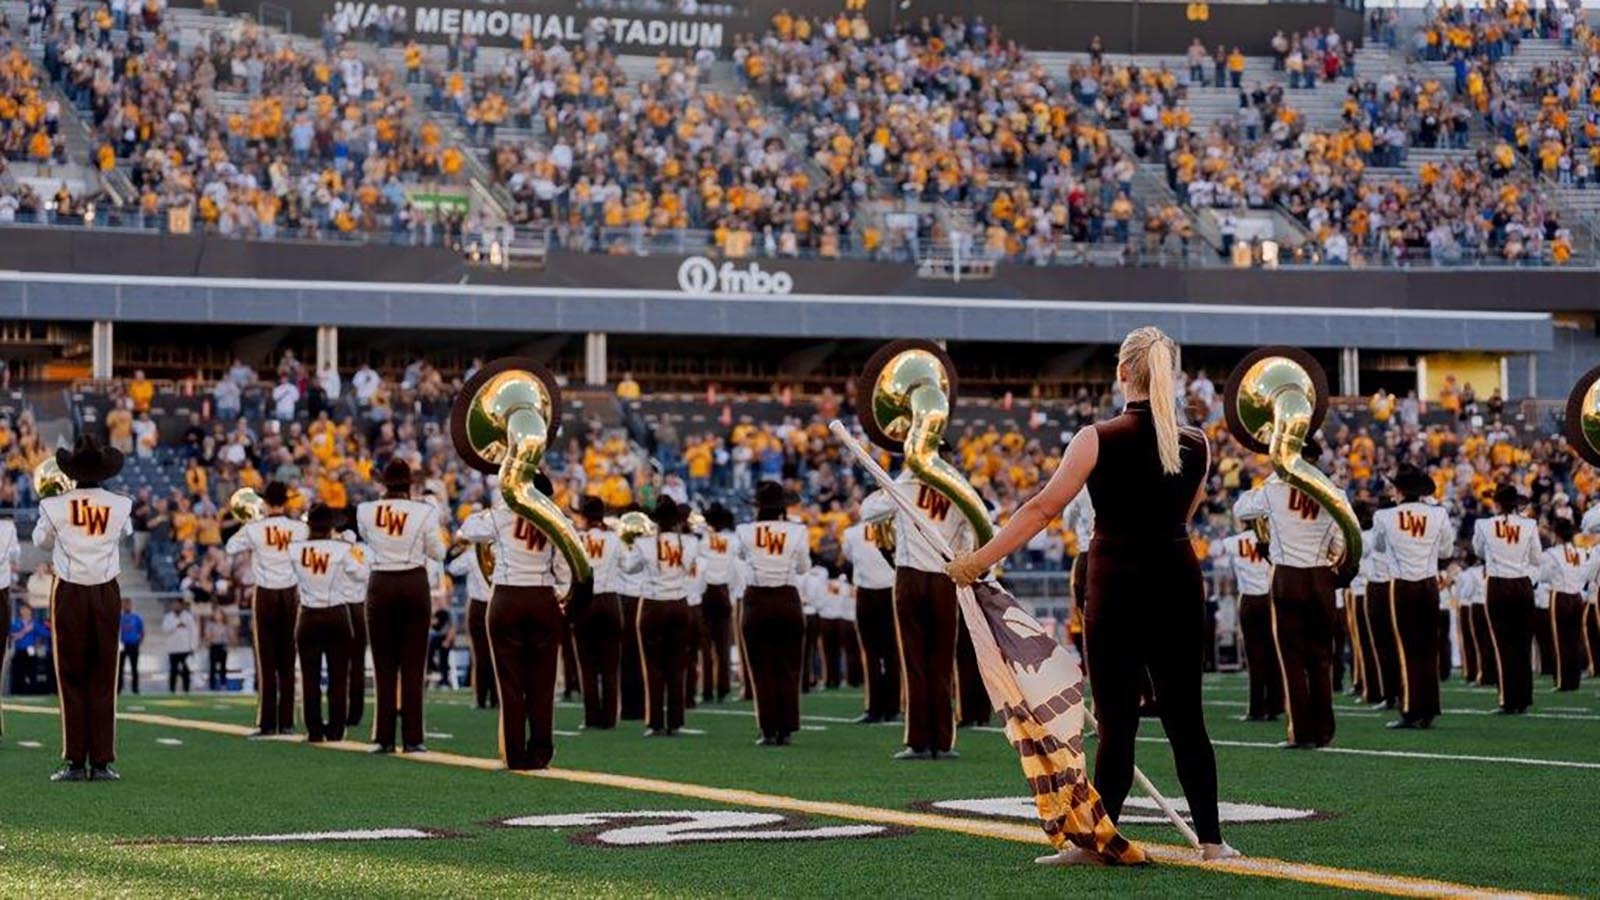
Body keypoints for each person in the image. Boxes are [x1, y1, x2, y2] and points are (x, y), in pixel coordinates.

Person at [945, 326, 1235, 863]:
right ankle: (1213, 842)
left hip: (1117, 579)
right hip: (1175, 577)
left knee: (1116, 718)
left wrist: (979, 561)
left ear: (1122, 372)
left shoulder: (1096, 436)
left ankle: (1099, 840)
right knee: (1186, 717)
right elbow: (1185, 515)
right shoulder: (1199, 444)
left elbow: (1041, 509)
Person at [859, 457, 987, 761]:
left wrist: (903, 475)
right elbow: (974, 533)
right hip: (945, 578)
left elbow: (868, 512)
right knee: (942, 662)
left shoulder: (905, 484)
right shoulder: (959, 489)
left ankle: (918, 741)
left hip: (910, 576)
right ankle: (942, 742)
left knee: (915, 662)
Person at [32, 435, 134, 782]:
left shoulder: (53, 505)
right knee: (104, 676)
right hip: (106, 589)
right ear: (104, 472)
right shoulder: (121, 504)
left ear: (71, 471)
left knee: (71, 675)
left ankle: (75, 762)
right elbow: (126, 532)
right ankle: (102, 761)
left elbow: (40, 542)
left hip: (70, 591)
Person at [1234, 446, 1346, 750]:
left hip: (1289, 578)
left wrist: (1275, 474)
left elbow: (1240, 509)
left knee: (1292, 659)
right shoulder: (1332, 490)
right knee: (1322, 658)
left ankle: (1302, 731)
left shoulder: (1276, 488)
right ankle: (1325, 730)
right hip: (1322, 576)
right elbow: (1343, 539)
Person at [459, 474, 573, 769]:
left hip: (507, 597)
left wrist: (498, 504)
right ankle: (540, 752)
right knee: (543, 682)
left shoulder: (504, 515)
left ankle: (514, 753)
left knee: (510, 682)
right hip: (543, 598)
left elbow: (467, 529)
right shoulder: (557, 518)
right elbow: (565, 571)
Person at [356, 458, 446, 753]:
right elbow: (438, 551)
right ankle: (413, 738)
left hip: (381, 581)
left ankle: (383, 737)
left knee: (384, 663)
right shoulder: (425, 511)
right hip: (413, 582)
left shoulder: (366, 511)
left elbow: (369, 539)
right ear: (409, 485)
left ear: (384, 483)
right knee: (413, 663)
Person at [1370, 464, 1452, 729]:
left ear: (1401, 490)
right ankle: (1428, 709)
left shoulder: (1384, 517)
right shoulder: (1439, 514)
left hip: (1402, 586)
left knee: (1406, 648)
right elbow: (1445, 551)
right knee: (1429, 647)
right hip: (1428, 584)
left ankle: (1409, 708)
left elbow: (1379, 547)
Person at [224, 481, 307, 737]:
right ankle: (287, 723)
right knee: (288, 658)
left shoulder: (255, 528)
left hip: (266, 594)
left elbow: (230, 547)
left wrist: (250, 524)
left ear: (266, 502)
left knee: (266, 660)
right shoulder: (299, 528)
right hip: (291, 593)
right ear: (285, 501)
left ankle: (267, 723)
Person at [734, 482, 809, 746]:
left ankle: (767, 729)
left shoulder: (744, 531)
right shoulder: (798, 531)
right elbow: (803, 567)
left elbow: (741, 557)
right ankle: (786, 728)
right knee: (789, 666)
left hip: (757, 599)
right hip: (787, 598)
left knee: (760, 667)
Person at [624, 497, 701, 737]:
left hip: (653, 605)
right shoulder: (690, 542)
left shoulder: (644, 542)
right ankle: (675, 721)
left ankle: (655, 722)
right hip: (679, 602)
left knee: (653, 665)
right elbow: (688, 566)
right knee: (678, 665)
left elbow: (629, 568)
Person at [289, 504, 363, 743]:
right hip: (337, 615)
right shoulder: (341, 548)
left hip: (309, 615)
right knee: (338, 678)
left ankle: (314, 730)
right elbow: (361, 574)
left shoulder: (295, 549)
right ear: (331, 526)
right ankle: (336, 730)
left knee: (310, 678)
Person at [1472, 484, 1541, 714]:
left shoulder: (1484, 525)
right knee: (1523, 643)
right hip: (1522, 583)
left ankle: (1508, 699)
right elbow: (1536, 557)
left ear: (1497, 503)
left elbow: (1479, 551)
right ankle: (1523, 699)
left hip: (1498, 583)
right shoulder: (1530, 525)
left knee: (1503, 644)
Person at [1213, 515, 1278, 721]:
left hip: (1249, 600)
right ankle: (1275, 704)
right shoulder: (1270, 541)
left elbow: (1216, 550)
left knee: (1254, 655)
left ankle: (1256, 707)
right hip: (1268, 599)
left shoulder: (1234, 542)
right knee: (1272, 652)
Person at [841, 508, 899, 724]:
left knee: (872, 654)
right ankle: (893, 707)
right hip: (891, 591)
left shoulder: (851, 533)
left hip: (866, 593)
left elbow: (847, 556)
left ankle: (874, 707)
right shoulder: (894, 529)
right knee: (892, 652)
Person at [573, 497, 624, 729]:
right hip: (610, 599)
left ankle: (591, 717)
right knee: (610, 664)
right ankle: (610, 718)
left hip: (584, 600)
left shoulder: (576, 538)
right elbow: (629, 564)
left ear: (584, 517)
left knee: (587, 664)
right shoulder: (614, 538)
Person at [1538, 517, 1593, 692]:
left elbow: (1543, 576)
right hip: (1577, 596)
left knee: (1560, 640)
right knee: (1575, 640)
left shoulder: (1551, 553)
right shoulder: (1581, 552)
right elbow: (1585, 574)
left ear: (1557, 535)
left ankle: (1562, 681)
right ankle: (1574, 681)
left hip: (1560, 596)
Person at [445, 527, 496, 709]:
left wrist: (459, 549)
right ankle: (497, 698)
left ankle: (481, 699)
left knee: (480, 655)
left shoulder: (471, 554)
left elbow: (451, 568)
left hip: (478, 606)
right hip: (498, 605)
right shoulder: (501, 551)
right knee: (498, 654)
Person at [695, 503, 737, 703]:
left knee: (706, 646)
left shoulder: (702, 541)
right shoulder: (733, 541)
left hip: (706, 592)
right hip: (723, 591)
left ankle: (707, 689)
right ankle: (723, 688)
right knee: (723, 645)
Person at [1453, 553, 1486, 684]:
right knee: (1487, 642)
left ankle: (1472, 673)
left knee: (1470, 643)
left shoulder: (1468, 573)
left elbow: (1464, 593)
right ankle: (1489, 673)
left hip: (1471, 606)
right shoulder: (1489, 570)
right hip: (1488, 604)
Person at [162, 599, 197, 693]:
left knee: (186, 671)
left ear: (182, 605)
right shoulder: (168, 617)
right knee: (173, 671)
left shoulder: (188, 617)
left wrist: (192, 647)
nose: (176, 606)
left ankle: (186, 690)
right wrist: (176, 624)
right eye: (174, 604)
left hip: (185, 649)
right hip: (173, 649)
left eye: (177, 604)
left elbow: (193, 632)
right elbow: (165, 630)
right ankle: (172, 690)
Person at [117, 597, 143, 694]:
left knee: (134, 668)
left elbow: (141, 631)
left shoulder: (137, 617)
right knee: (120, 668)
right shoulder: (119, 617)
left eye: (128, 604)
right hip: (122, 646)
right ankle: (118, 689)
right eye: (124, 604)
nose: (126, 606)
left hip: (133, 645)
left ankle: (135, 689)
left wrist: (138, 642)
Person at [204, 608, 232, 690]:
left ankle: (223, 684)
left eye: (220, 614)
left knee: (223, 667)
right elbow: (207, 637)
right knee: (213, 667)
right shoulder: (210, 625)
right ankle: (212, 685)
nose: (218, 616)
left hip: (223, 646)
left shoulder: (226, 625)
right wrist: (215, 635)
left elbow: (230, 637)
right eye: (216, 614)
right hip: (214, 646)